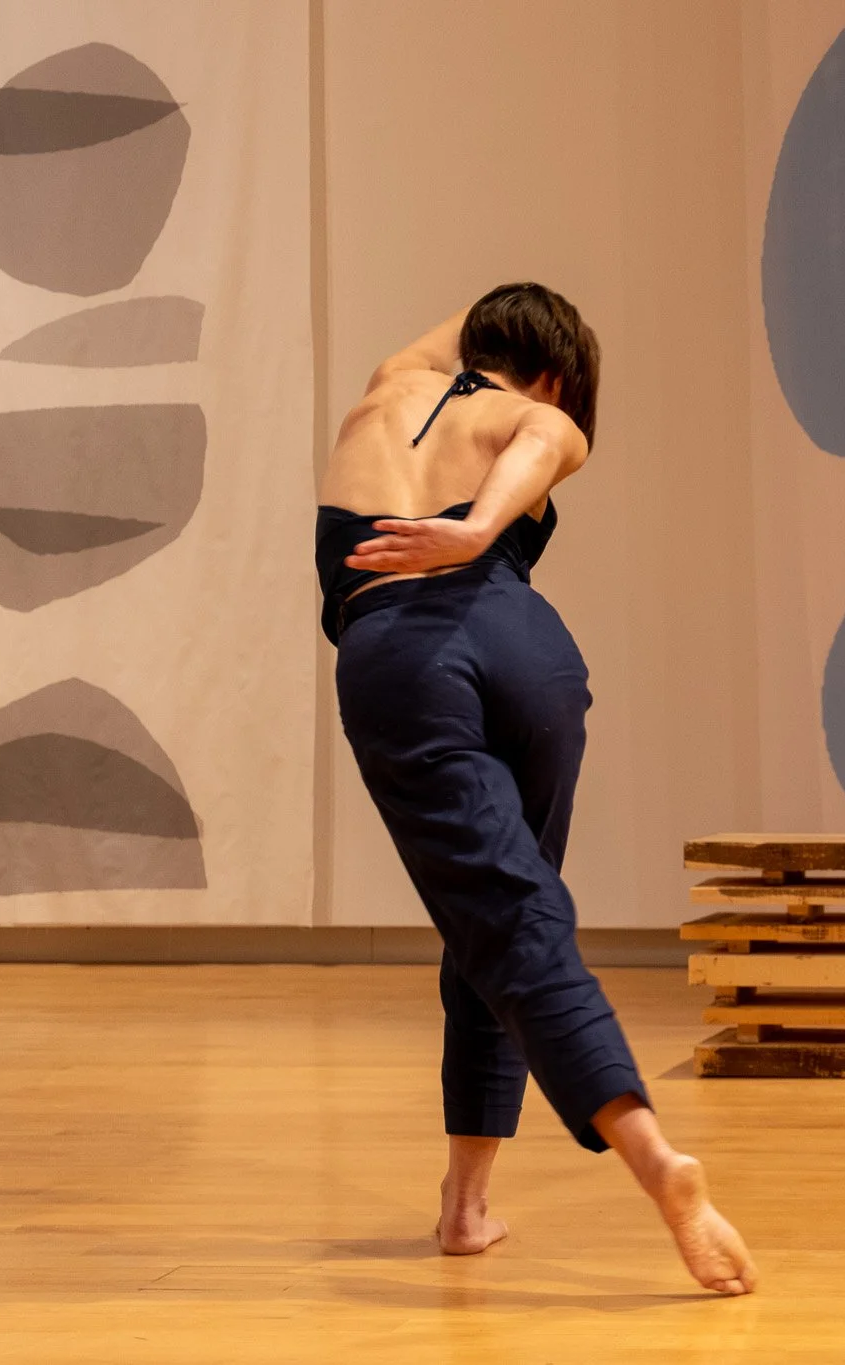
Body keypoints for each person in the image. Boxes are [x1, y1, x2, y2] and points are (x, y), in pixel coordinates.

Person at [315, 283, 755, 1295]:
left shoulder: (389, 389)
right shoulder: (538, 414)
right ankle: (464, 1207)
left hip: (404, 657)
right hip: (527, 652)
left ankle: (654, 1159)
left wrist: (466, 523)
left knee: (503, 919)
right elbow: (546, 437)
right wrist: (478, 530)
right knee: (509, 920)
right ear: (555, 373)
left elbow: (474, 323)